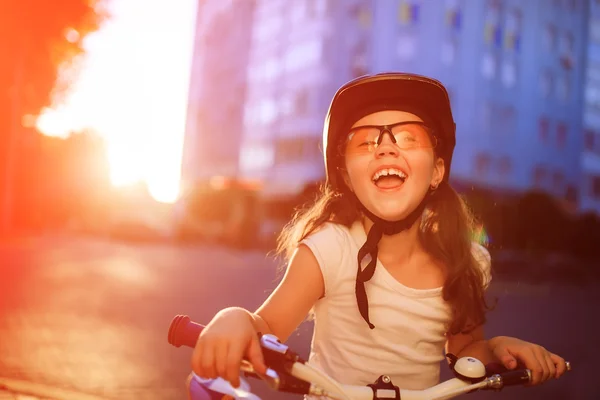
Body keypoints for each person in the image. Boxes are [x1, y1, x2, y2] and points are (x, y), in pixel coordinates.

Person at [190, 72, 568, 395]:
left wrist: (499, 348)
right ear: (348, 179)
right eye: (366, 141)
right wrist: (234, 318)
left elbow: (465, 352)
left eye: (408, 138)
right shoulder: (329, 249)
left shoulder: (465, 260)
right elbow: (267, 328)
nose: (386, 148)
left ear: (436, 172)